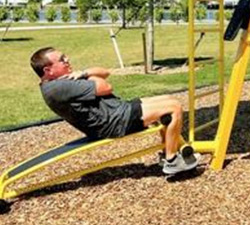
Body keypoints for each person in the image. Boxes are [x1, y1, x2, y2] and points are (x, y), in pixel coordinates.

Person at [30, 47, 199, 175]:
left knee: (169, 100)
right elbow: (106, 86)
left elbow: (105, 72)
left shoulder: (60, 82)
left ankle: (167, 154)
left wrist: (83, 73)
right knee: (174, 108)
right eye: (62, 59)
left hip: (117, 112)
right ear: (48, 70)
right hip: (115, 121)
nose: (67, 60)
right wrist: (84, 77)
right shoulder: (59, 87)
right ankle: (171, 161)